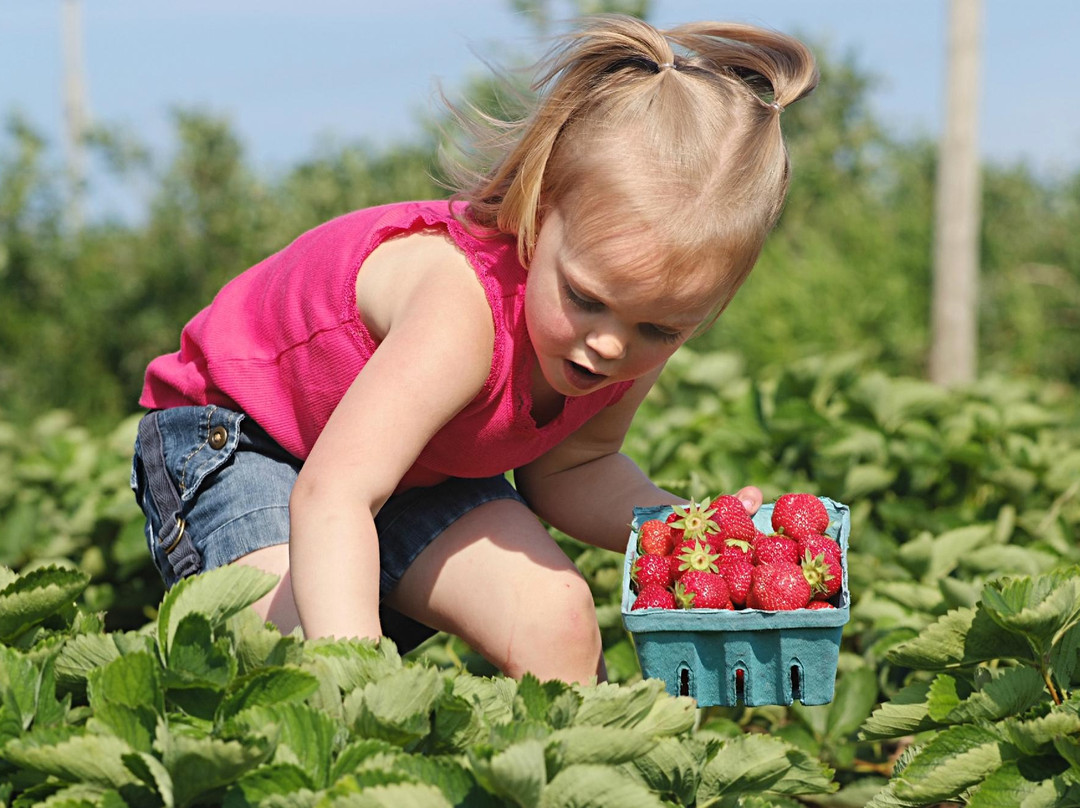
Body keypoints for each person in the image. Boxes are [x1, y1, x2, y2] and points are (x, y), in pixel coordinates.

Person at [130, 14, 818, 684]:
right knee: (289, 660)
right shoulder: (460, 313)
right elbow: (335, 494)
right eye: (585, 298)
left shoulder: (625, 325)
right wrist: (359, 680)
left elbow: (575, 470)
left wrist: (688, 534)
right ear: (538, 212)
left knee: (558, 621)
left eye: (661, 329)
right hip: (242, 439)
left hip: (414, 463)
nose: (610, 342)